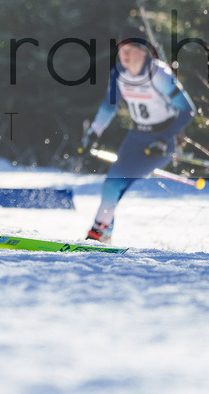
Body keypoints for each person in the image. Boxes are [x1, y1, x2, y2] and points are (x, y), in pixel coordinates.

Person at [79, 24, 196, 243]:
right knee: (114, 184)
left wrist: (164, 139)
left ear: (143, 51)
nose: (124, 54)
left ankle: (98, 231)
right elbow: (109, 107)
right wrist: (93, 134)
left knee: (114, 182)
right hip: (135, 137)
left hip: (162, 140)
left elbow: (188, 110)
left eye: (130, 49)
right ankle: (105, 231)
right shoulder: (119, 74)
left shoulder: (158, 74)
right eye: (121, 49)